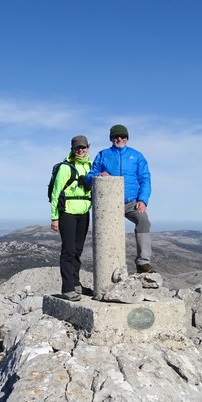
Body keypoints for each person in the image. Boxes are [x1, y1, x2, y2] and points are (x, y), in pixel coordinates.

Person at [86, 124, 154, 273]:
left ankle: (143, 263)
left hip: (131, 202)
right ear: (111, 138)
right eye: (116, 136)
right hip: (109, 202)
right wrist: (98, 175)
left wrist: (142, 200)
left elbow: (145, 179)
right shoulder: (103, 154)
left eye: (123, 136)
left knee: (143, 221)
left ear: (127, 138)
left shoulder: (137, 156)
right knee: (107, 233)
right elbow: (89, 176)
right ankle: (109, 268)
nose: (119, 139)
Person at [50, 135, 93, 301]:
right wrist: (55, 217)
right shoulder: (66, 167)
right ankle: (67, 288)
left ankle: (76, 284)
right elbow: (56, 193)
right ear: (72, 149)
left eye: (83, 147)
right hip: (67, 212)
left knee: (77, 250)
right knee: (68, 250)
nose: (81, 150)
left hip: (84, 212)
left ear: (88, 147)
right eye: (77, 148)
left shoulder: (90, 166)